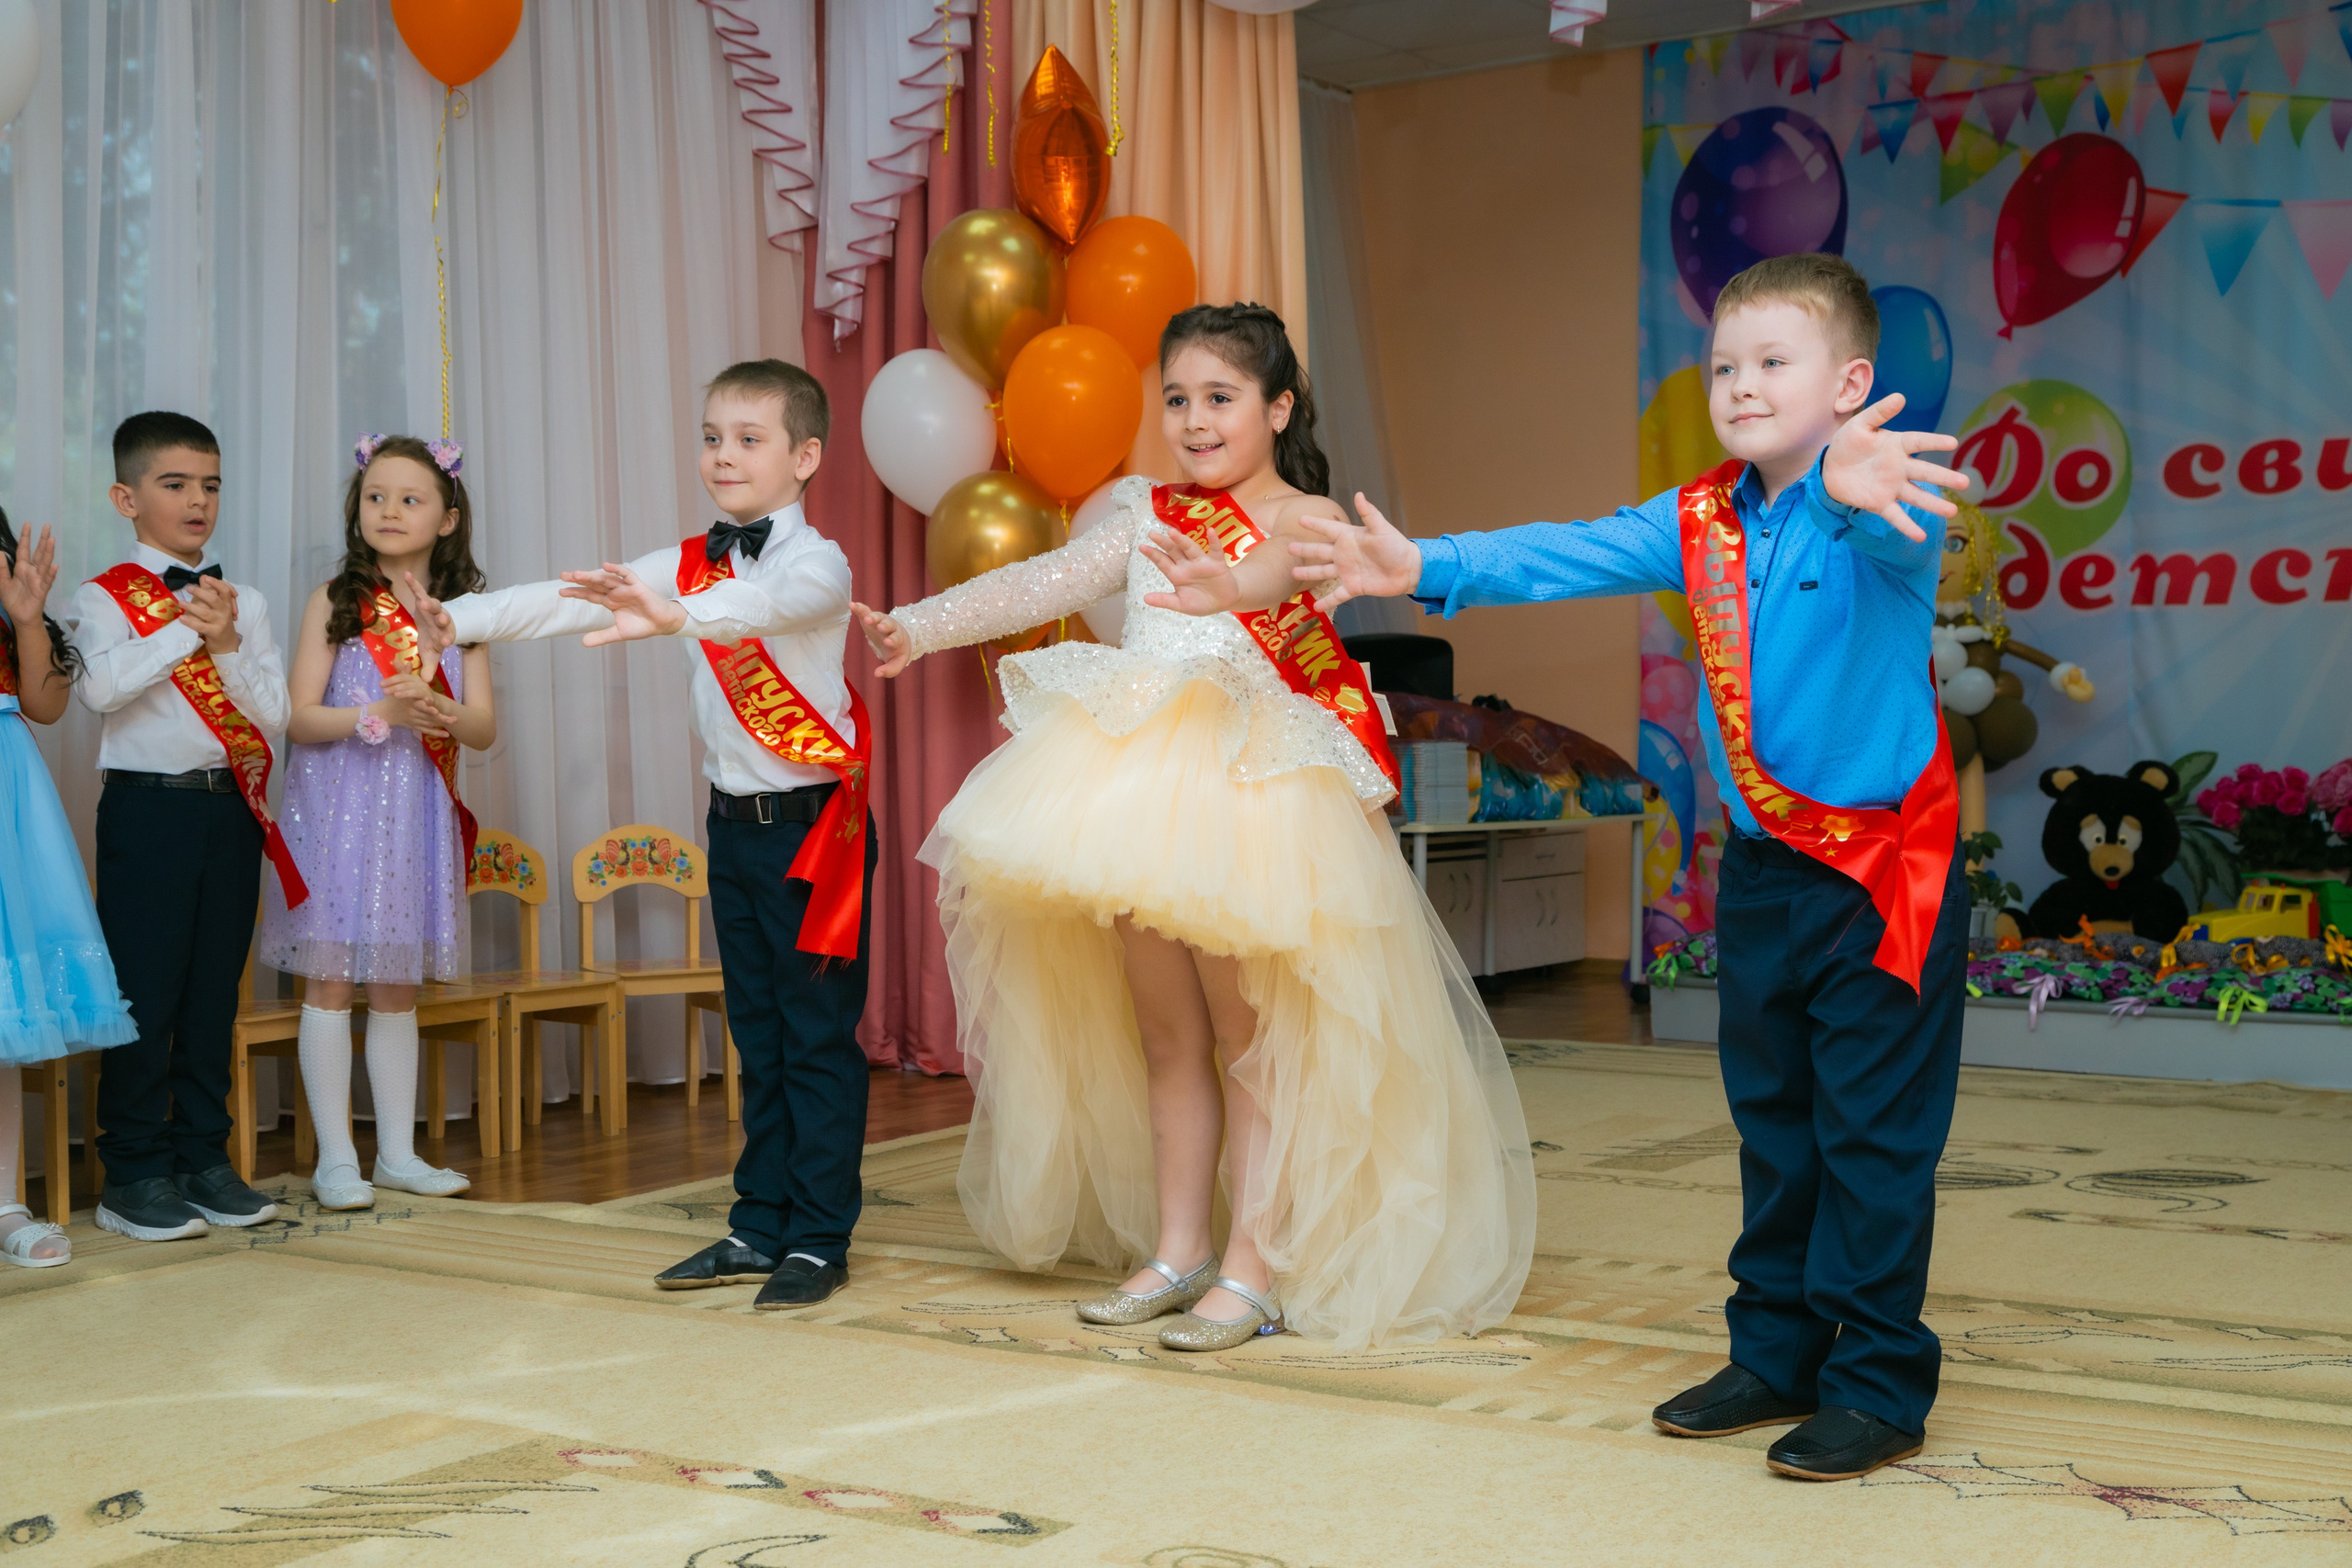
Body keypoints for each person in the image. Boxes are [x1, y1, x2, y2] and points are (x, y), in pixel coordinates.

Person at [1260, 253, 1973, 1478]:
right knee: (1775, 1125)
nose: (1741, 385)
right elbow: (1562, 552)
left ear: (1851, 382)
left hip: (1882, 877)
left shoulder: (1887, 504)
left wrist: (1851, 487)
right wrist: (1420, 567)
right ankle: (1777, 1349)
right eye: (1724, 365)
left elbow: (1896, 544)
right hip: (1762, 875)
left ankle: (1879, 1377)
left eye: (1773, 363)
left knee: (1874, 1133)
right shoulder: (1696, 520)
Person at [851, 303, 1534, 1354]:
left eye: (1220, 397)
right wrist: (921, 626)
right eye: (1176, 399)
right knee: (1163, 1034)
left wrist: (1232, 586)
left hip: (1250, 800)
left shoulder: (1309, 519)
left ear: (1278, 407)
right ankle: (1179, 1250)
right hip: (1134, 791)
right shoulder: (1139, 507)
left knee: (1249, 1040)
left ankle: (1254, 1268)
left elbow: (1266, 582)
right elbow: (1048, 579)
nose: (1195, 420)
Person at [412, 360, 876, 1310]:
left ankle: (820, 1239)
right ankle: (758, 1224)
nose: (723, 455)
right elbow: (574, 594)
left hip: (814, 835)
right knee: (759, 1034)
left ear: (805, 456)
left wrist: (679, 614)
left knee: (816, 1039)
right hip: (732, 830)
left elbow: (773, 606)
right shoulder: (689, 558)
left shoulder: (816, 561)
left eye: (748, 438)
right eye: (711, 436)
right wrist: (456, 618)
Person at [70, 412, 295, 1242]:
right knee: (146, 990)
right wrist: (181, 631)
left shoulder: (248, 601)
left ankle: (204, 1159)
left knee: (210, 992)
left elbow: (276, 714)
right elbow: (98, 692)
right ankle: (131, 1172)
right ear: (126, 496)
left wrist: (229, 641)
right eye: (175, 484)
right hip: (147, 809)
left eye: (210, 484)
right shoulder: (101, 596)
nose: (198, 500)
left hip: (229, 805)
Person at [264, 435, 495, 1210]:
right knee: (329, 980)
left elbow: (485, 727)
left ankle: (395, 1152)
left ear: (449, 516)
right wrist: (382, 712)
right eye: (375, 495)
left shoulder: (465, 617)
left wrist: (440, 710)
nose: (389, 510)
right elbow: (298, 718)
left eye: (410, 497)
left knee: (396, 986)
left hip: (414, 814)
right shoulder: (334, 600)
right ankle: (337, 1159)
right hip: (335, 809)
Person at [0, 506, 138, 1268]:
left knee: (4, 1019)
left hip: (6, 795)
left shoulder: (6, 583)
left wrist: (25, 617)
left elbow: (47, 705)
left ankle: (6, 1205)